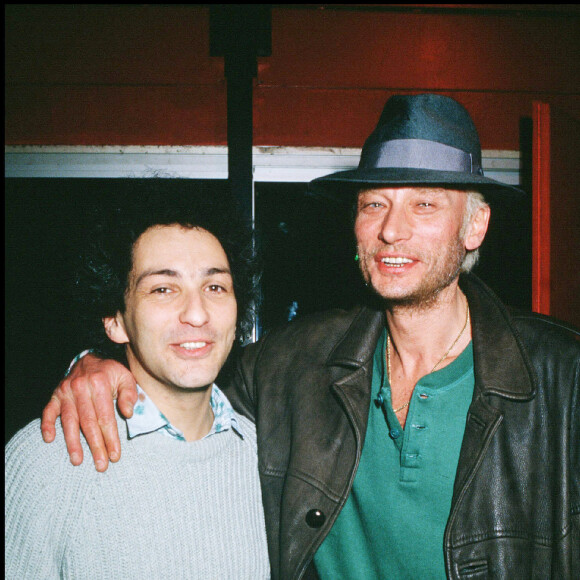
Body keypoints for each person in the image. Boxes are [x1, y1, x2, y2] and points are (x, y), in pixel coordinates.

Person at [40, 94, 579, 579]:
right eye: (374, 204)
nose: (391, 229)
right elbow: (183, 383)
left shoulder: (564, 376)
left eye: (425, 204)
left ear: (475, 227)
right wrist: (97, 361)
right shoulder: (291, 363)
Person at [5, 188, 270, 578]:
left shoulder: (267, 455)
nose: (197, 313)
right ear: (116, 320)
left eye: (215, 287)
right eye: (163, 289)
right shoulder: (49, 459)